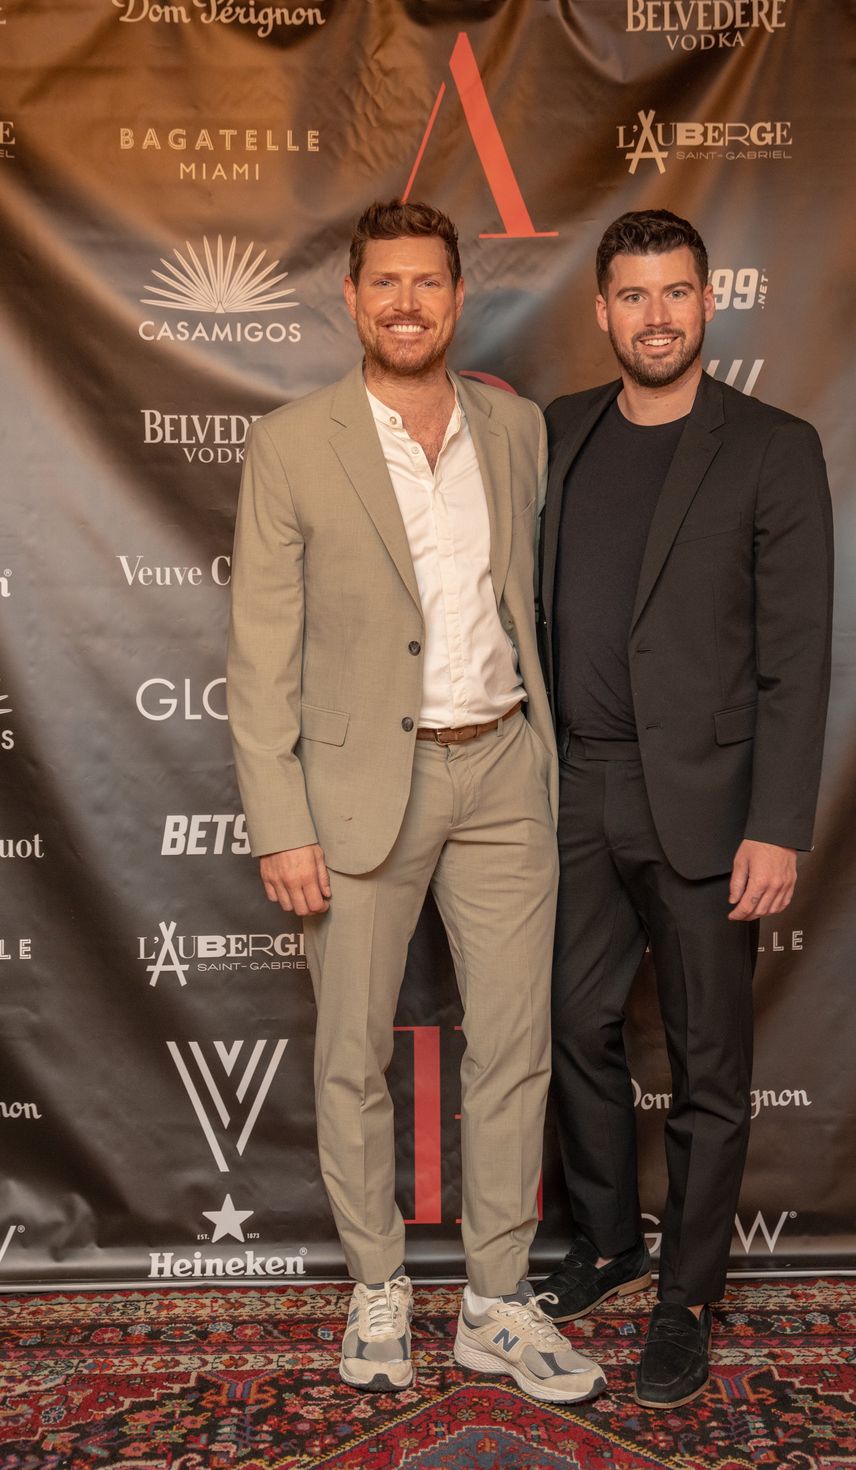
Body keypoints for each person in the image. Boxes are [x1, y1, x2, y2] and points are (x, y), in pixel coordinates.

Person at [226, 200, 604, 1404]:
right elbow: (258, 655)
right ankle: (377, 1287)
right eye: (383, 282)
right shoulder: (292, 443)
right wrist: (280, 819)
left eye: (427, 283)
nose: (405, 302)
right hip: (351, 791)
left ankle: (494, 1304)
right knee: (349, 1056)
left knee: (512, 1050)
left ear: (456, 296)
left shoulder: (514, 427)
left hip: (501, 768)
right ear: (351, 298)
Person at [536, 209, 833, 1408]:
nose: (653, 316)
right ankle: (607, 1244)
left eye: (675, 293)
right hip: (566, 786)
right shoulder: (555, 434)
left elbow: (795, 656)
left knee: (710, 1058)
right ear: (599, 311)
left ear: (708, 302)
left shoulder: (770, 445)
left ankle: (685, 1297)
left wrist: (779, 822)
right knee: (567, 1027)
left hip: (710, 807)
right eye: (630, 296)